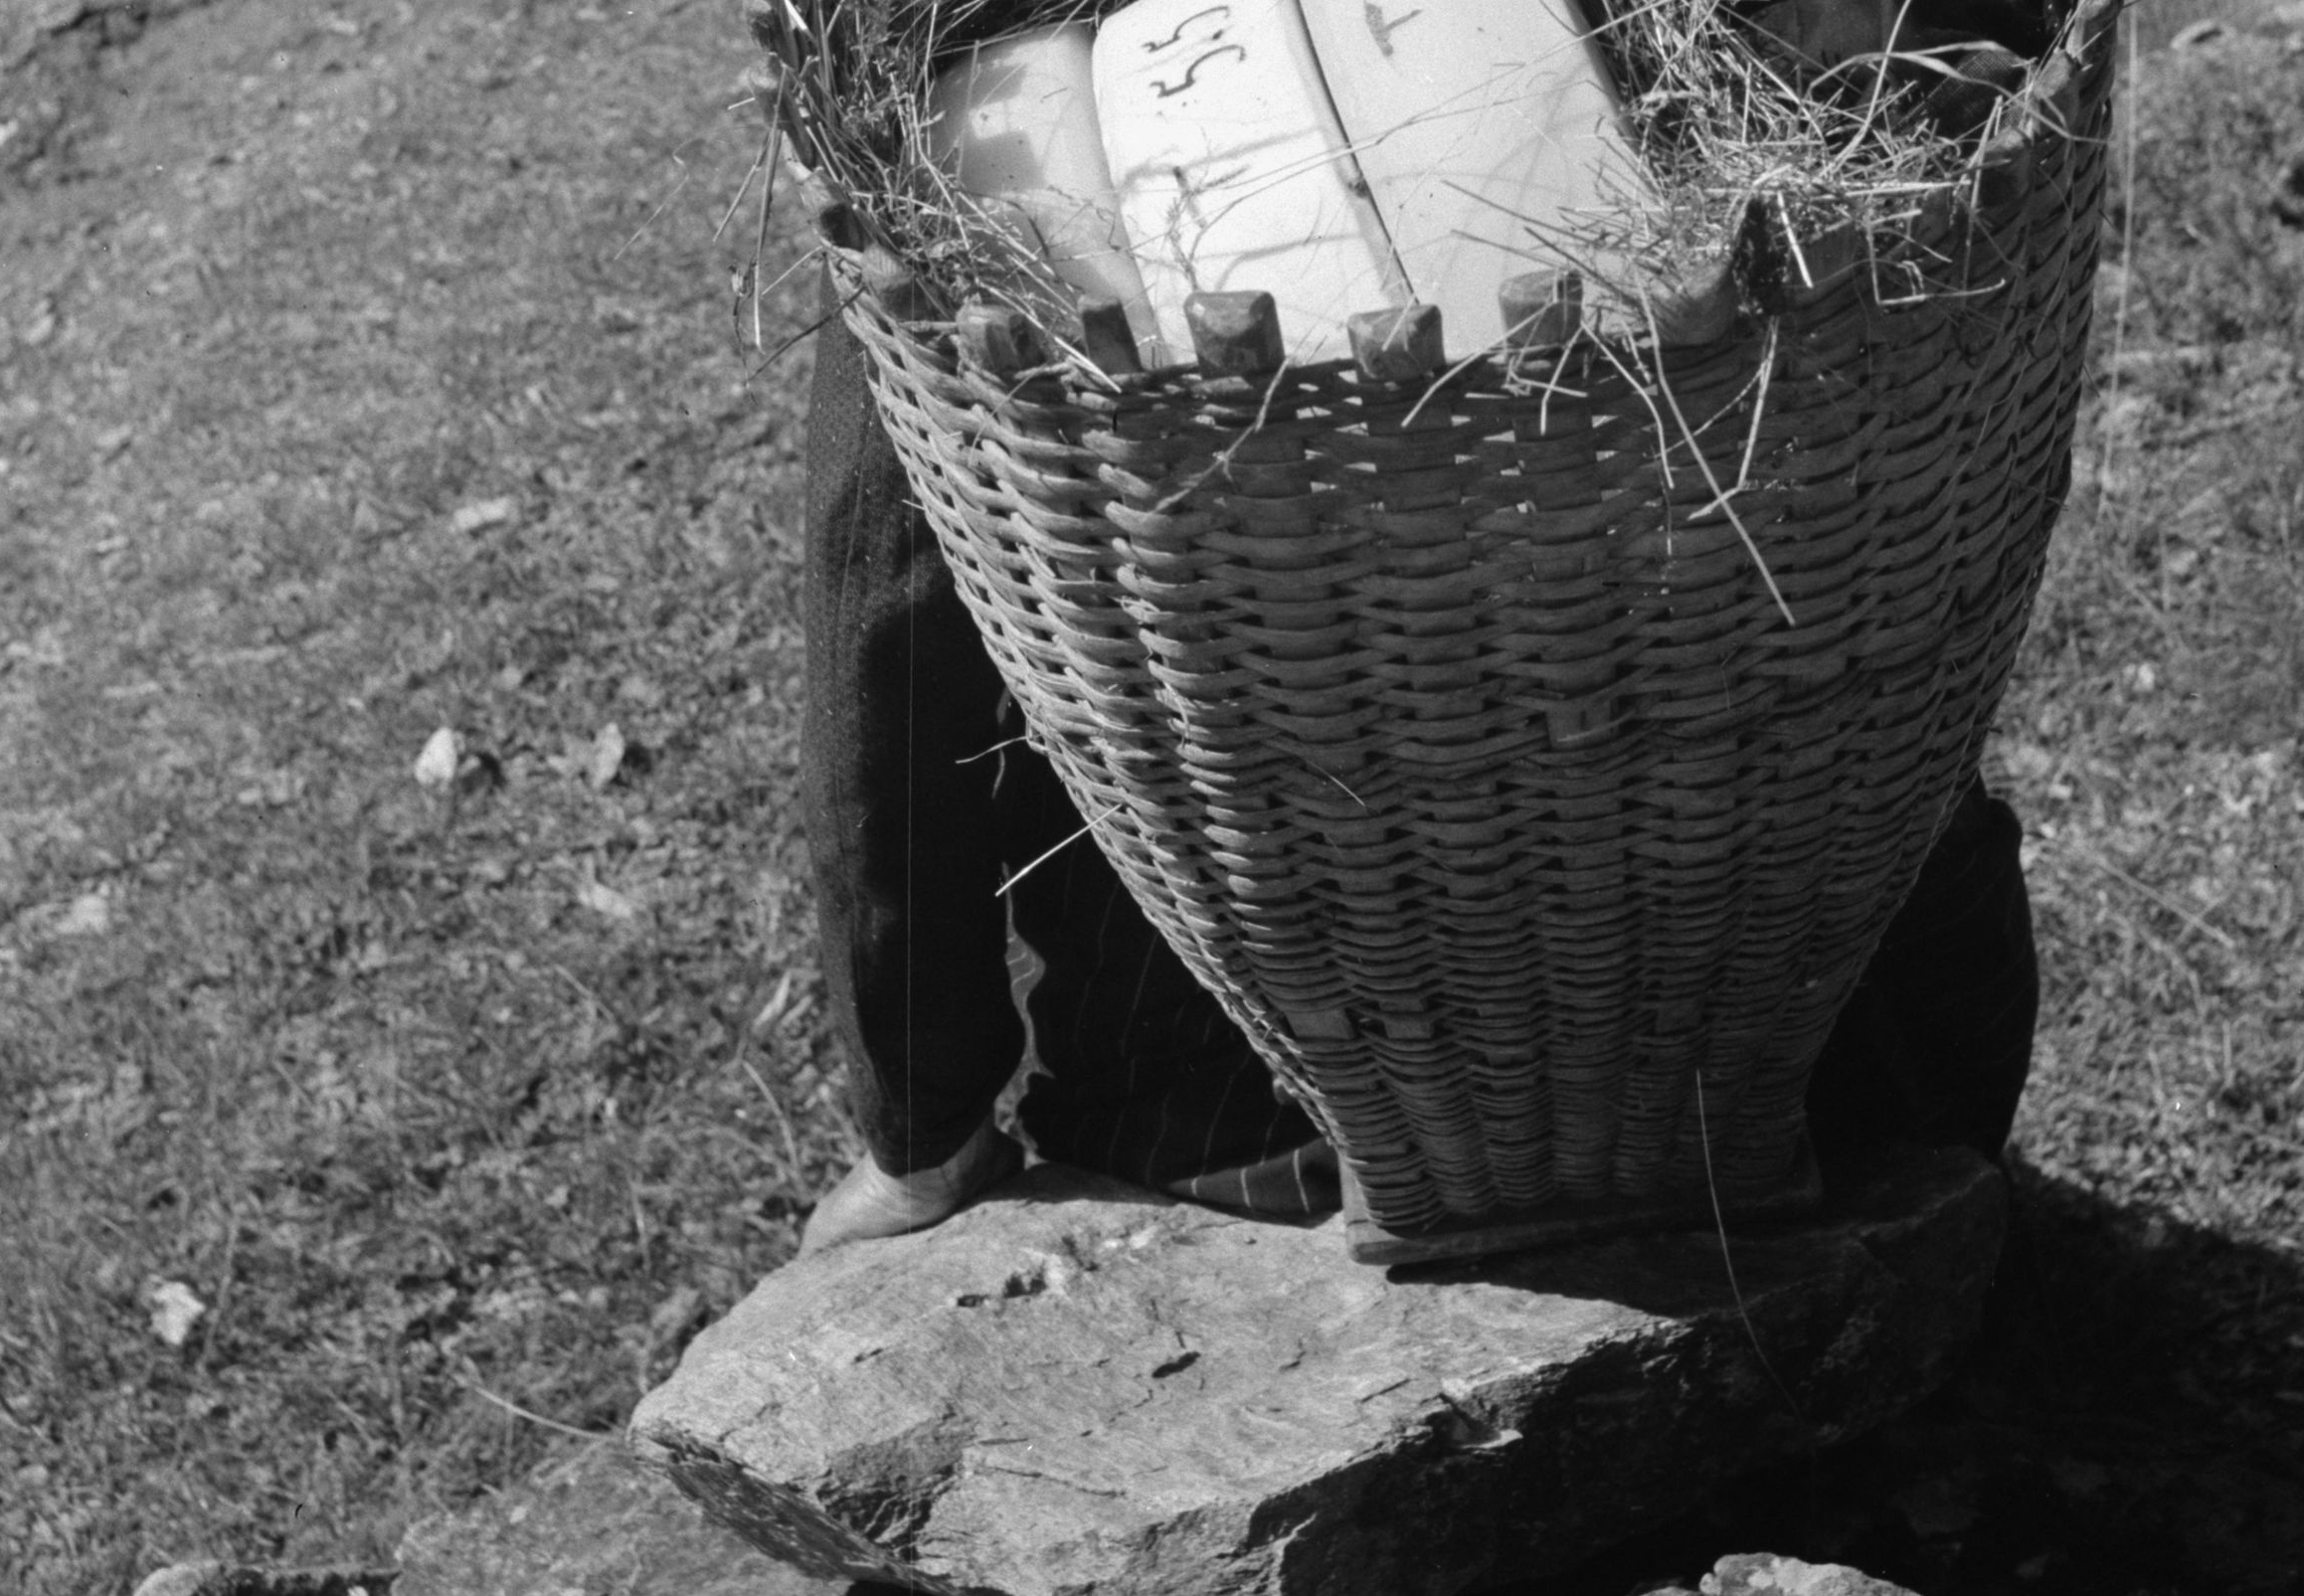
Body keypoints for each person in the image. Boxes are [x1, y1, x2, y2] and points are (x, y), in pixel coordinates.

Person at [797, 299, 2040, 1252]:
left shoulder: (982, 85)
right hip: (1853, 1038)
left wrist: (924, 1124)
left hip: (1263, 1130)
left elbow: (887, 631)